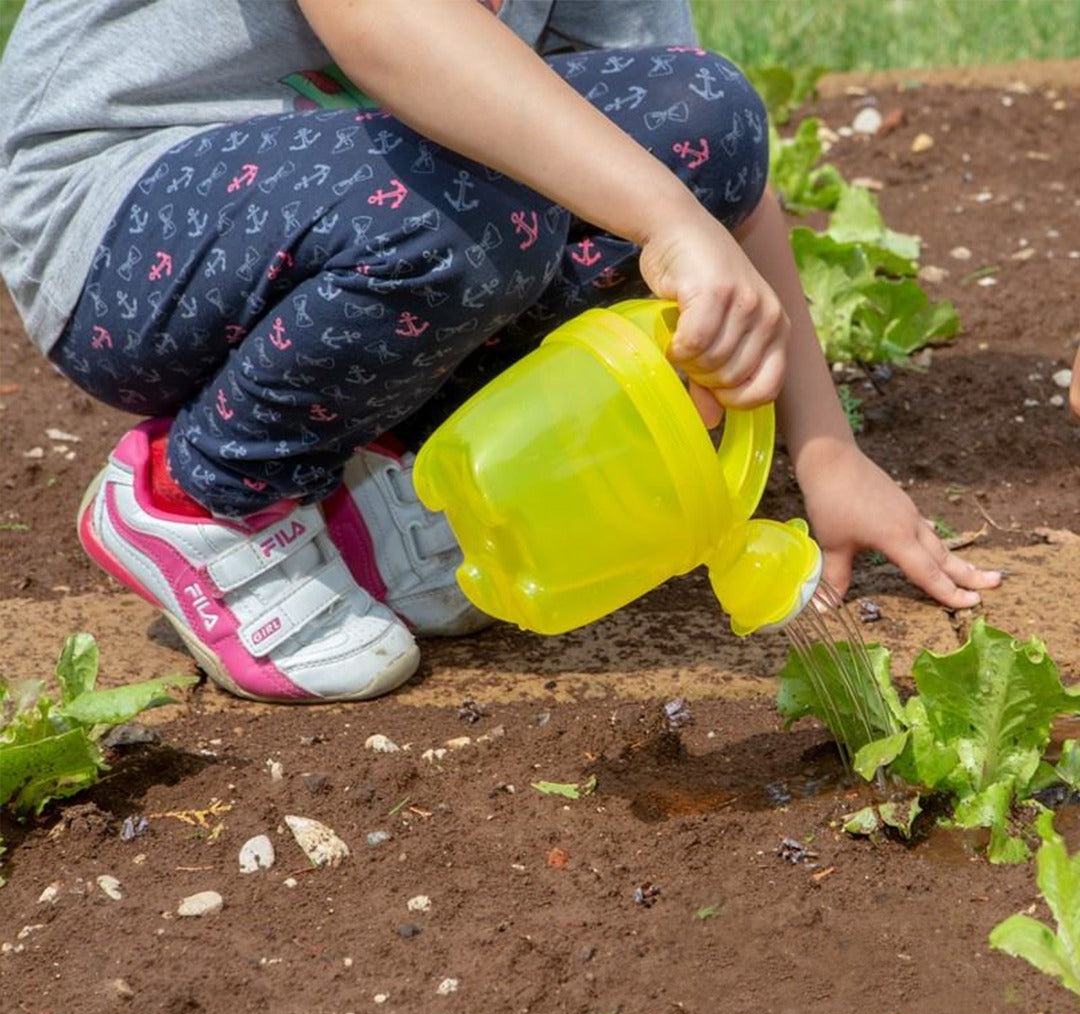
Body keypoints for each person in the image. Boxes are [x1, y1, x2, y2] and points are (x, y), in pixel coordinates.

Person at [0, 0, 1001, 703]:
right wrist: (662, 222)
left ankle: (370, 483)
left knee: (708, 127)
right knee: (472, 211)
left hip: (363, 206)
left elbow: (703, 170)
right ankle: (202, 496)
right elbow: (380, 21)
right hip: (121, 219)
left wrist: (824, 447)